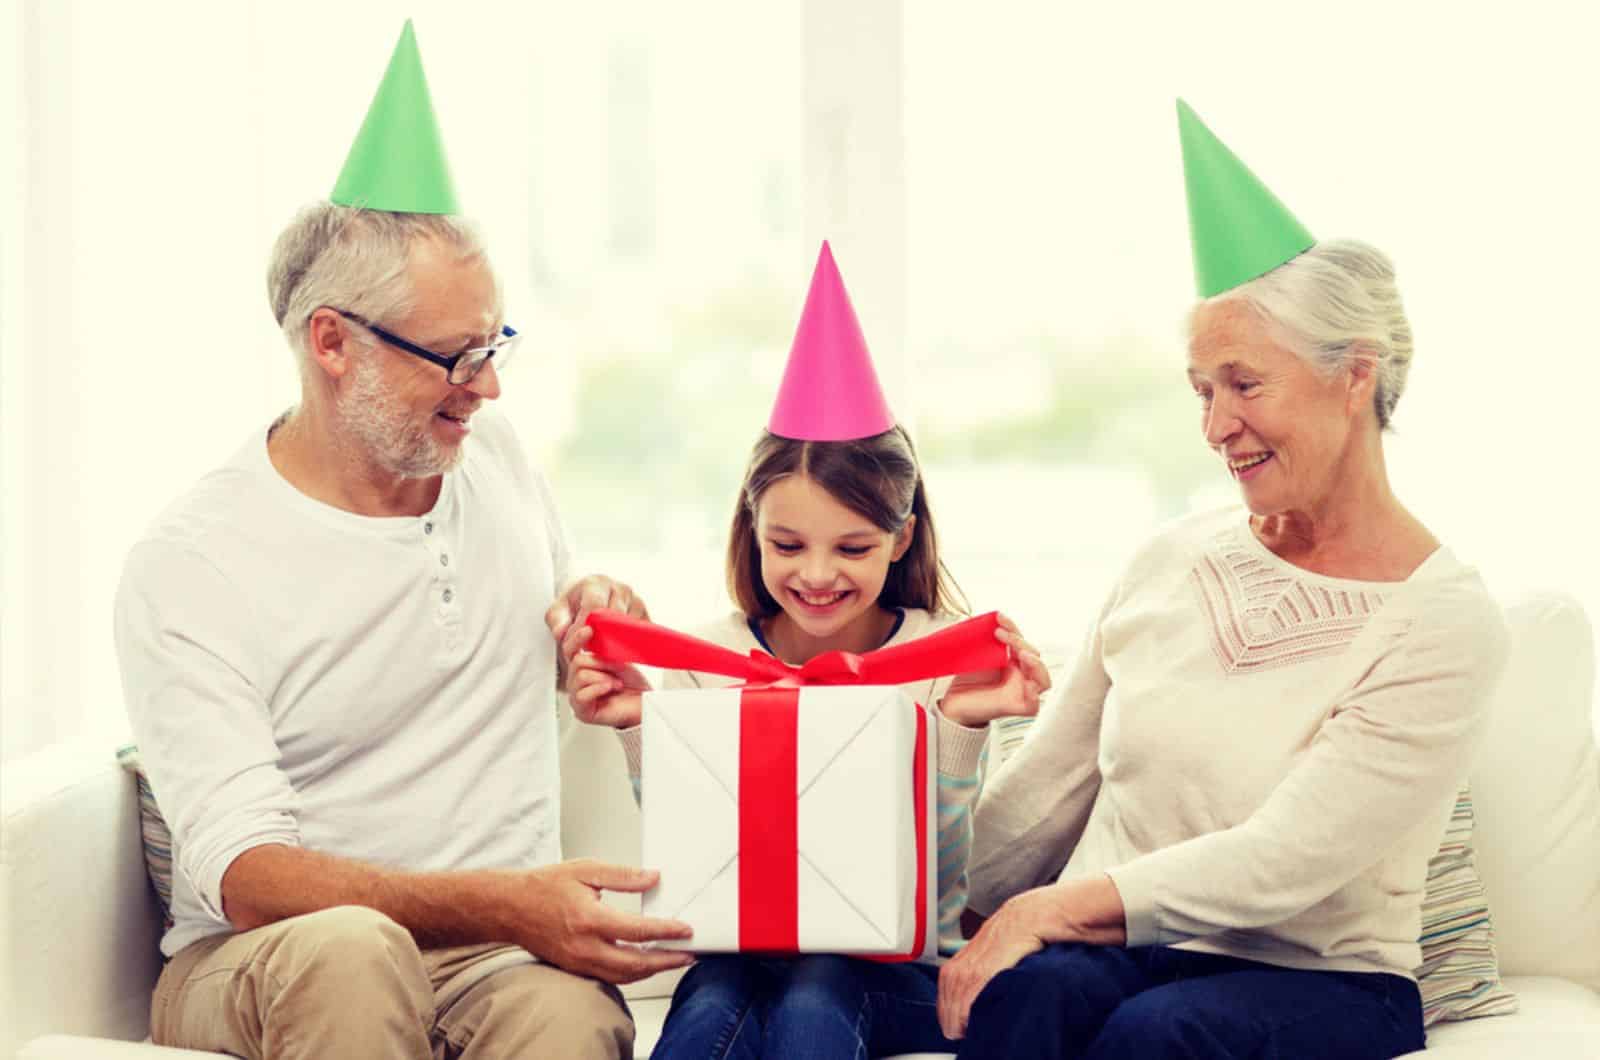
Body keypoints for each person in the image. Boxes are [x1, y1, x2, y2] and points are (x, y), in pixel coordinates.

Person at [112, 23, 690, 1060]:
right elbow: (247, 877)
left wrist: (595, 615)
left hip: (494, 962)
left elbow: (564, 628)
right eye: (457, 356)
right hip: (276, 956)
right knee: (355, 951)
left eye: (496, 344)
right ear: (331, 342)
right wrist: (510, 903)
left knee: (565, 1017)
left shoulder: (494, 457)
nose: (491, 386)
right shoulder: (195, 561)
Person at [935, 100, 1511, 1060]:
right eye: (1202, 391)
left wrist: (1045, 911)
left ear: (1353, 375)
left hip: (1322, 975)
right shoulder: (1168, 560)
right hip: (1129, 954)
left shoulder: (1446, 622)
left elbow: (1283, 859)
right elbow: (1044, 798)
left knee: (1162, 1034)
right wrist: (956, 774)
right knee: (1024, 1004)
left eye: (1244, 385)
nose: (1215, 427)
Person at [559, 242, 1052, 1059]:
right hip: (743, 961)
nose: (816, 576)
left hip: (893, 973)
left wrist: (961, 730)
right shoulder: (705, 661)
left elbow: (933, 892)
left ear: (901, 540)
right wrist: (637, 726)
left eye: (852, 549)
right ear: (750, 530)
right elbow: (703, 862)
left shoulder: (941, 660)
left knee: (817, 987)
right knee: (712, 996)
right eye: (787, 544)